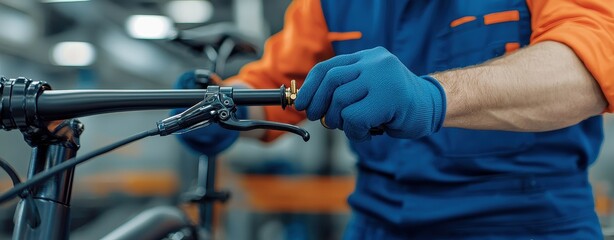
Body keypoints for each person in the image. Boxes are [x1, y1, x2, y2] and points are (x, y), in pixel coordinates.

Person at [175, 0, 614, 238]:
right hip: (378, 222)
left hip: (525, 222)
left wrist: (433, 97)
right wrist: (219, 106)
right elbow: (278, 86)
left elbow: (588, 68)